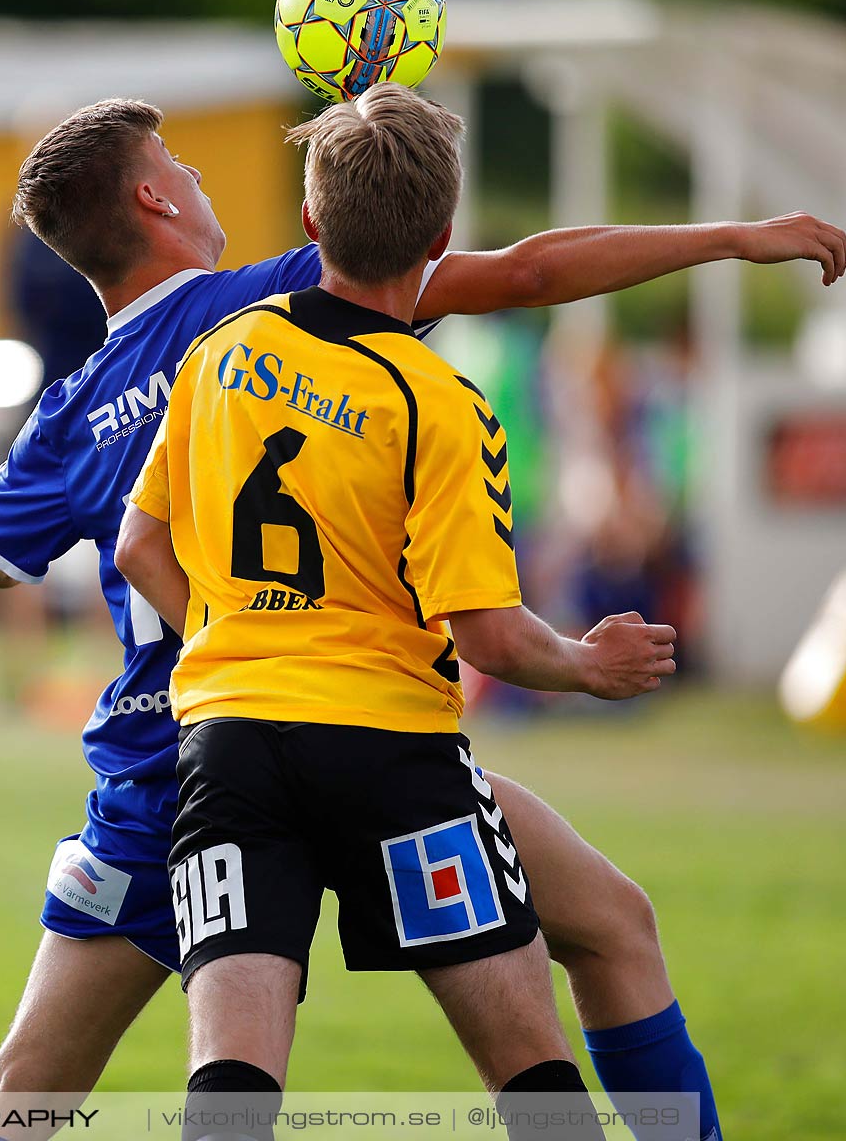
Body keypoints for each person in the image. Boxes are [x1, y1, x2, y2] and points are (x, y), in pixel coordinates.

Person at [0, 96, 846, 1141]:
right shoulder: (254, 308)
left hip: (187, 761)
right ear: (152, 196)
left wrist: (75, 485)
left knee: (33, 1096)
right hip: (367, 732)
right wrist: (729, 237)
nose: (195, 173)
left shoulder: (78, 408)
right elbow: (532, 273)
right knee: (574, 988)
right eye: (178, 161)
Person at [115, 82, 679, 1137]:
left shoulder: (220, 354)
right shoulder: (441, 403)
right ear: (444, 236)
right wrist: (589, 665)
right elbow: (489, 635)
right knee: (533, 1077)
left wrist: (236, 642)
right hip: (393, 762)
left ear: (311, 220)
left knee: (231, 1085)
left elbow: (140, 542)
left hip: (230, 747)